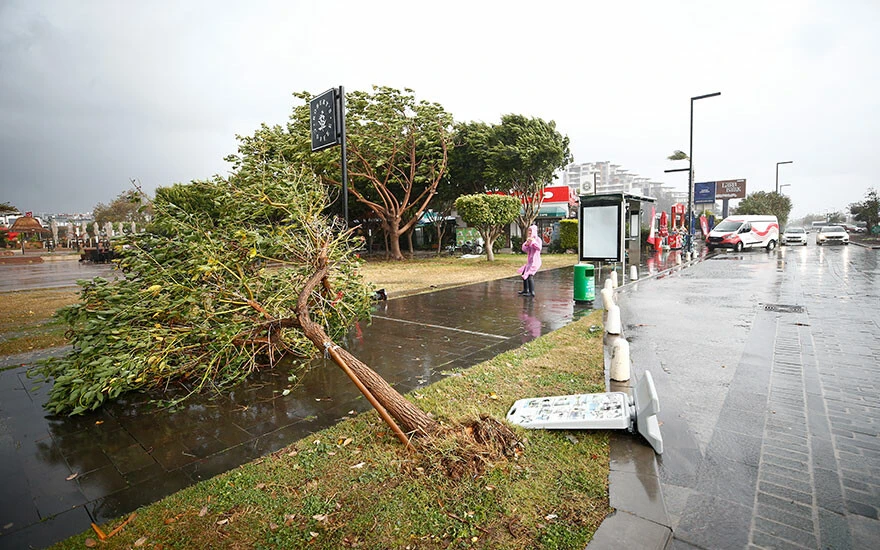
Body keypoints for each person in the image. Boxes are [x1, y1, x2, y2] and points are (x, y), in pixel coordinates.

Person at [517, 225, 542, 297]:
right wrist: (526, 244)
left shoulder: (538, 240)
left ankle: (532, 292)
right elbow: (524, 249)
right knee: (524, 273)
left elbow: (539, 248)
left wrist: (533, 242)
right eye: (529, 231)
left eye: (531, 231)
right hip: (529, 262)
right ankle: (525, 289)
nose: (530, 232)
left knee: (530, 275)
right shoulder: (528, 239)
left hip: (535, 262)